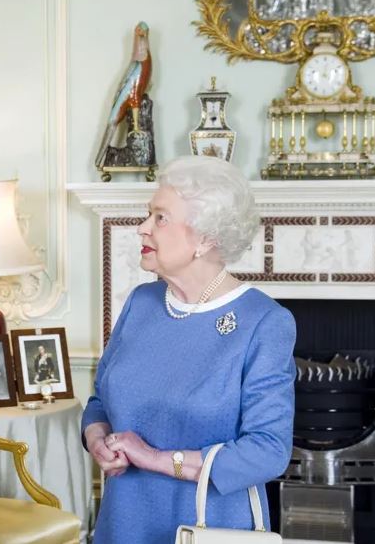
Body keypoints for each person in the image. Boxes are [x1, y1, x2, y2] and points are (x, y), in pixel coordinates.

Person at [81, 156, 296, 543]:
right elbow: (100, 401)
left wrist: (154, 458)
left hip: (209, 526)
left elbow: (268, 451)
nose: (142, 227)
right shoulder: (141, 302)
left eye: (160, 218)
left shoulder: (264, 322)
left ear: (206, 238)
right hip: (124, 521)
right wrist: (97, 439)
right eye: (148, 214)